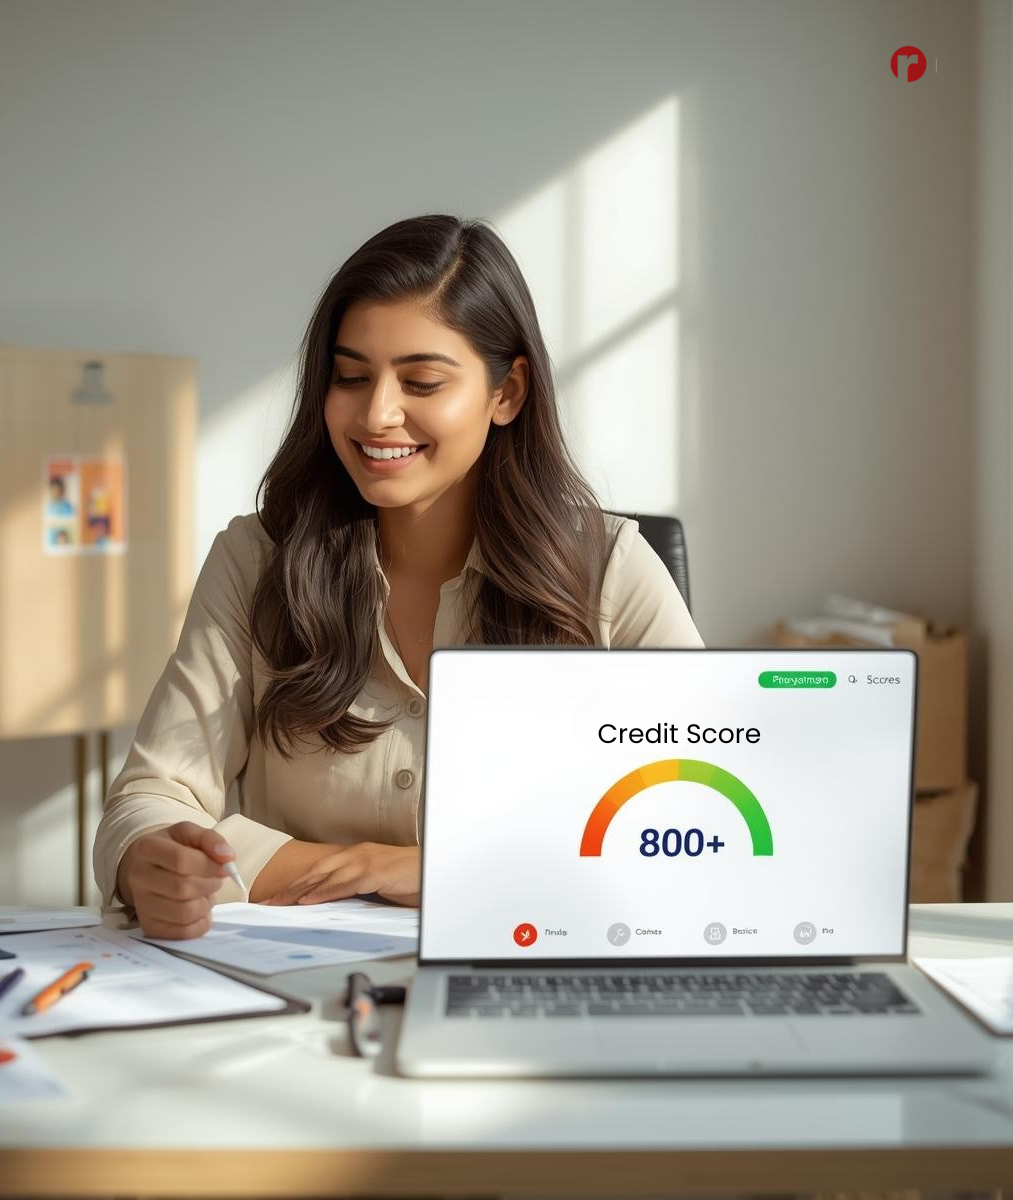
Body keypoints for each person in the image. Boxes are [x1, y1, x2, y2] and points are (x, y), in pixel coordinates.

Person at [93, 213, 704, 940]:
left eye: (420, 380)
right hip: (292, 994)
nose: (378, 413)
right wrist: (151, 862)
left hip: (535, 969)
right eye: (351, 377)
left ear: (507, 393)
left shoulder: (609, 572)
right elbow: (153, 794)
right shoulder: (256, 561)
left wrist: (437, 871)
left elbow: (689, 826)